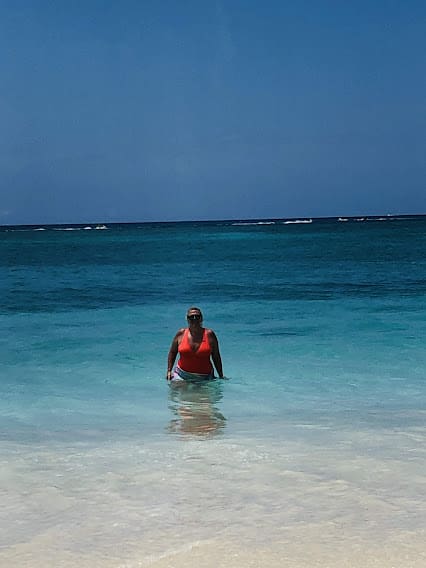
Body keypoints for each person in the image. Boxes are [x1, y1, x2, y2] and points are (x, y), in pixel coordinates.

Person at [166, 307, 224, 382]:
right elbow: (172, 352)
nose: (194, 319)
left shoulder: (209, 334)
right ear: (187, 319)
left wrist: (221, 375)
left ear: (201, 319)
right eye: (191, 317)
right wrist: (169, 371)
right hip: (182, 375)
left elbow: (216, 356)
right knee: (177, 393)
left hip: (205, 377)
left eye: (197, 316)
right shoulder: (181, 333)